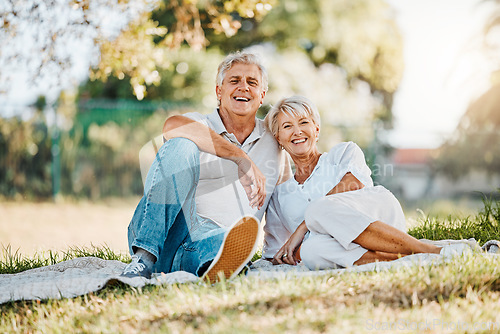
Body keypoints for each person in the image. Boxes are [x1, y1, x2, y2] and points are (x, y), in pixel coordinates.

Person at [122, 52, 290, 281]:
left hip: (204, 249)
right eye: (234, 81)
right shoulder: (199, 124)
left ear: (262, 96)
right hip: (168, 237)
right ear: (219, 91)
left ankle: (221, 263)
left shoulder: (274, 141)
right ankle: (143, 257)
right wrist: (240, 157)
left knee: (223, 240)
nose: (243, 87)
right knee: (181, 144)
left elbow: (285, 200)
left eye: (252, 82)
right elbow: (172, 125)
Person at [262, 95, 474, 270]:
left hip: (380, 219)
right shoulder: (280, 195)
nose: (297, 131)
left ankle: (429, 250)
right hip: (338, 247)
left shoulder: (343, 152)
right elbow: (278, 251)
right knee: (310, 252)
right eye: (287, 126)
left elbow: (352, 185)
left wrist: (303, 228)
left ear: (316, 129)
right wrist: (299, 248)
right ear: (278, 138)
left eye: (304, 122)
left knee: (317, 209)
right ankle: (408, 257)